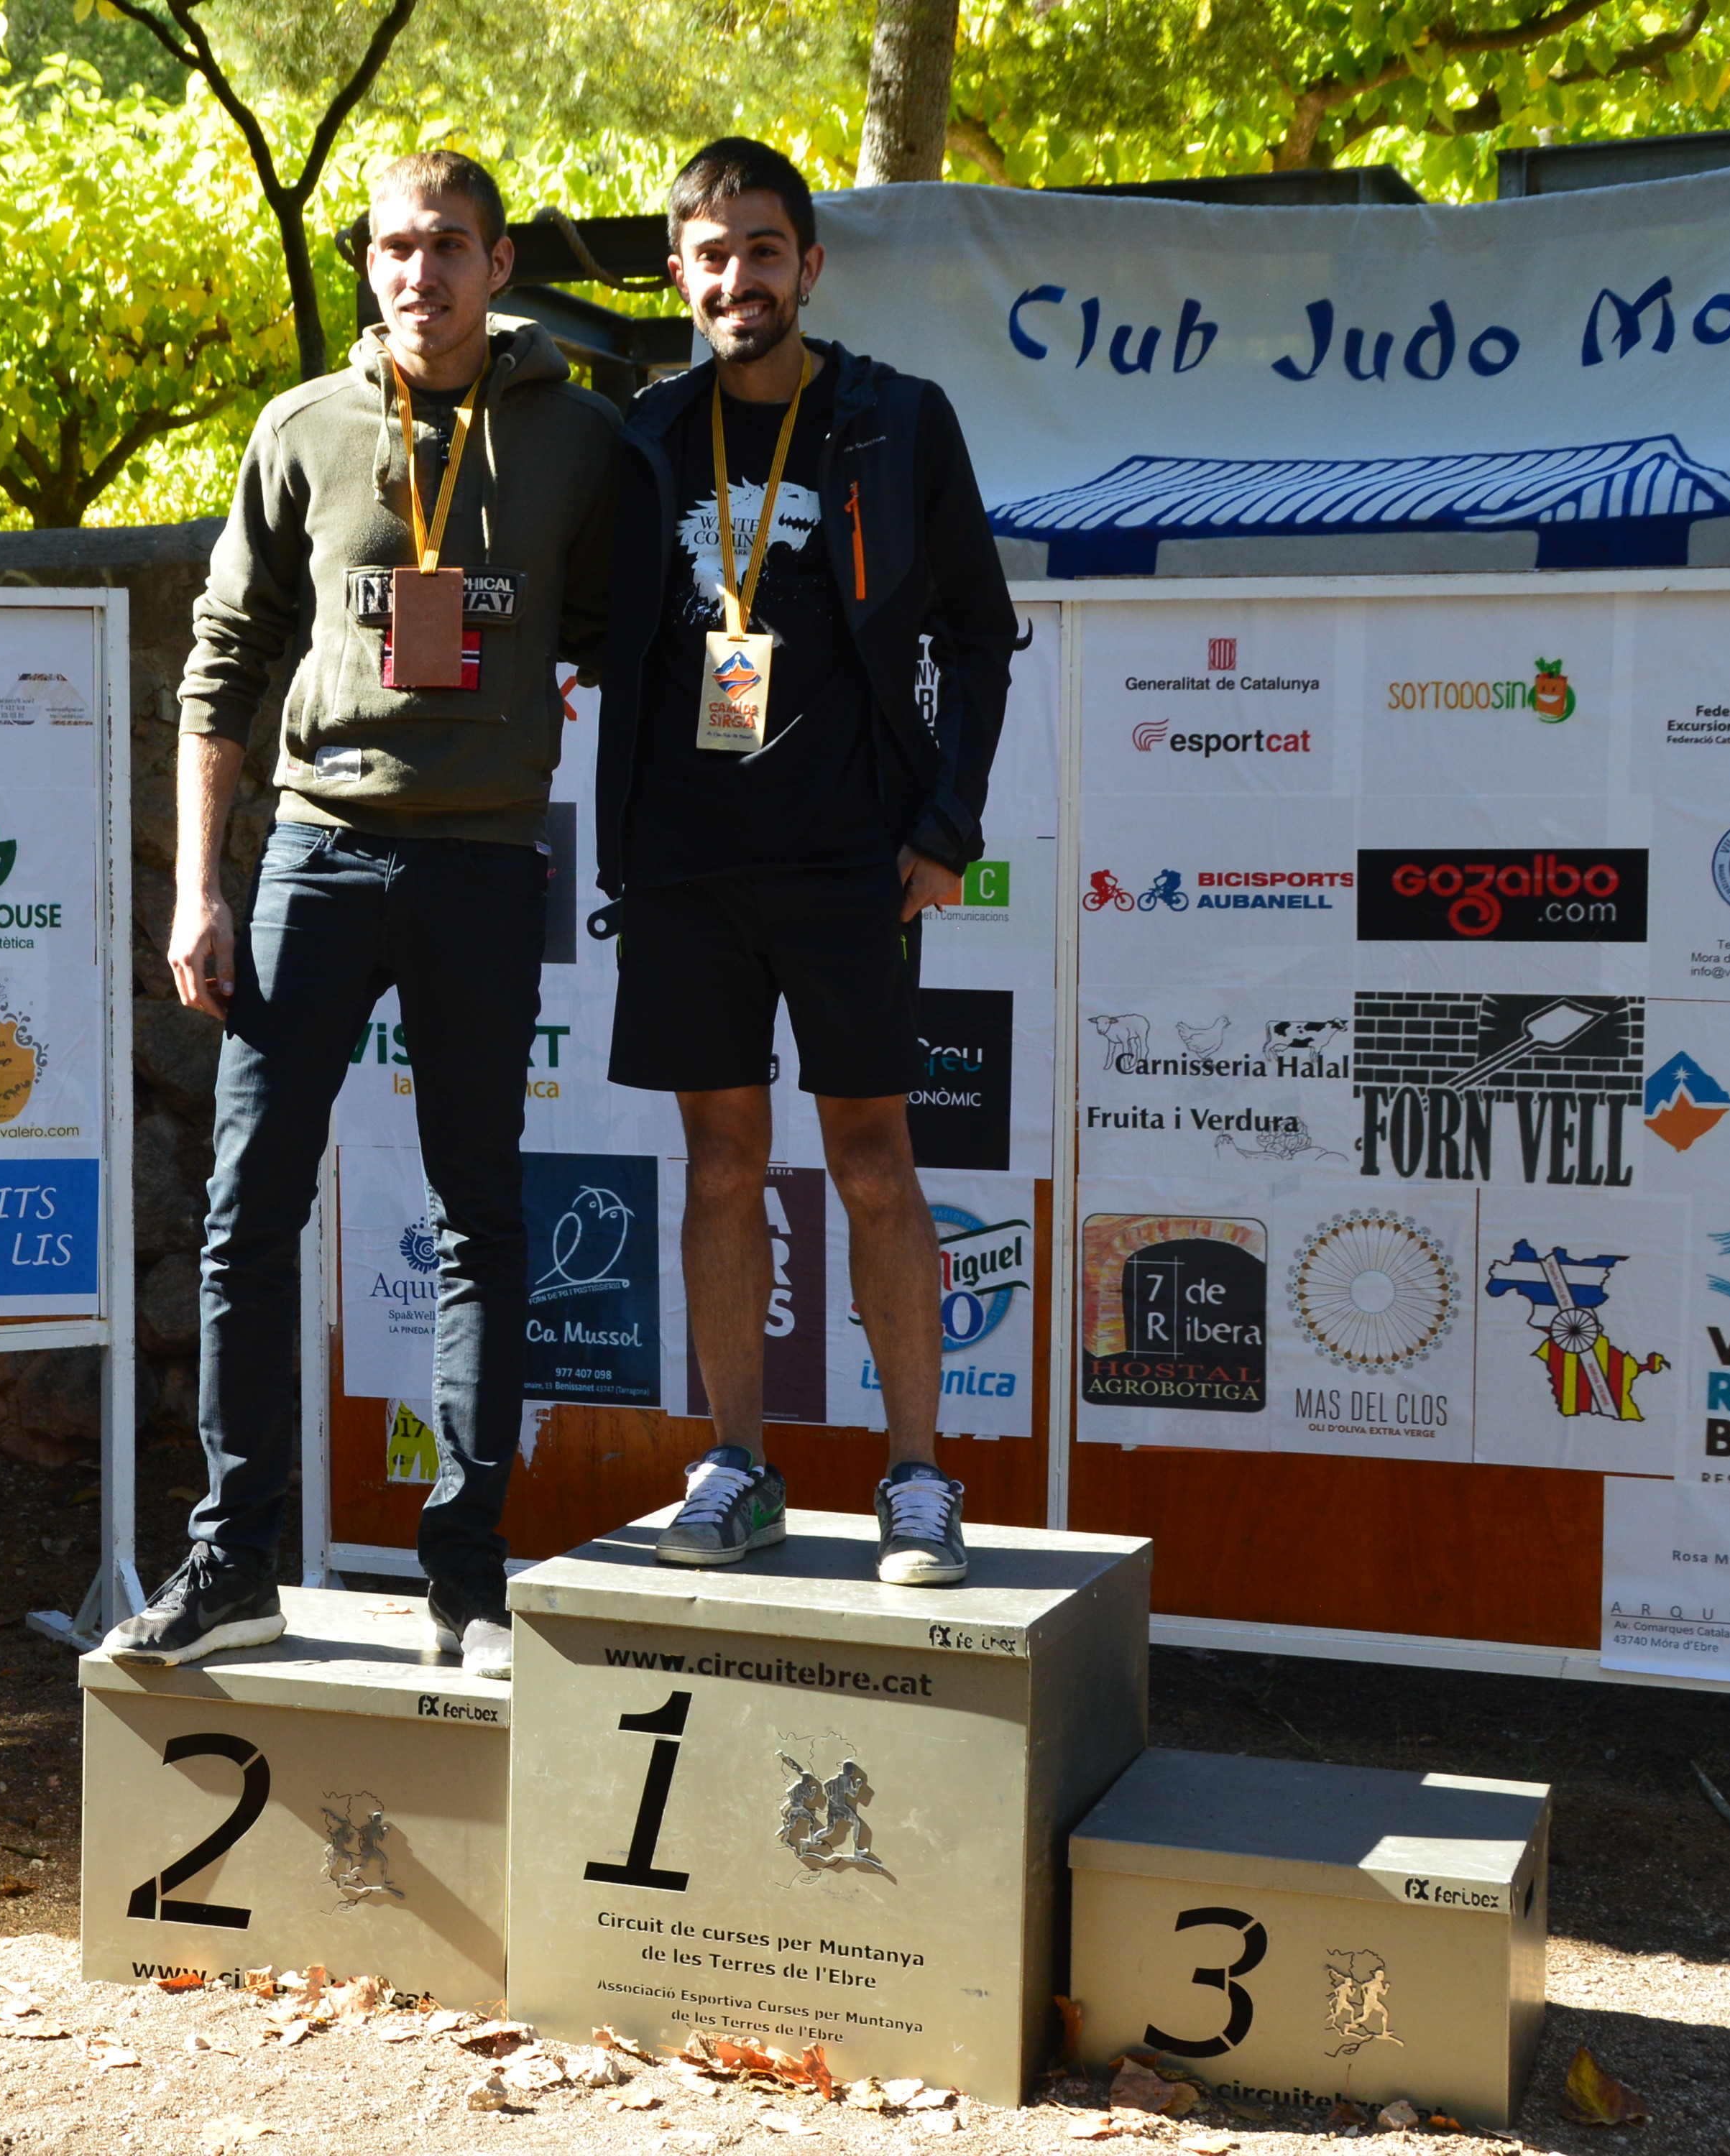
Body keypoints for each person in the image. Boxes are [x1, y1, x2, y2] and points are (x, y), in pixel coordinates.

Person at [101, 149, 617, 1676]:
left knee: (482, 1220)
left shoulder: (582, 438)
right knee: (245, 1213)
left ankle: (468, 1582)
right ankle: (232, 1564)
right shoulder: (303, 428)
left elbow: (630, 637)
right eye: (395, 247)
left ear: (499, 265)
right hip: (316, 860)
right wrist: (202, 885)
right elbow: (222, 661)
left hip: (483, 867)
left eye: (448, 245)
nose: (419, 272)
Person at [591, 137, 1016, 1583]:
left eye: (763, 251)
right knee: (720, 1165)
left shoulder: (897, 422)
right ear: (679, 276)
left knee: (876, 1165)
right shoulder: (646, 436)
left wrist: (946, 827)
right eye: (711, 256)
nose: (739, 279)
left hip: (849, 860)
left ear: (810, 266)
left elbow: (978, 632)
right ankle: (736, 1466)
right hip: (686, 862)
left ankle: (919, 1477)